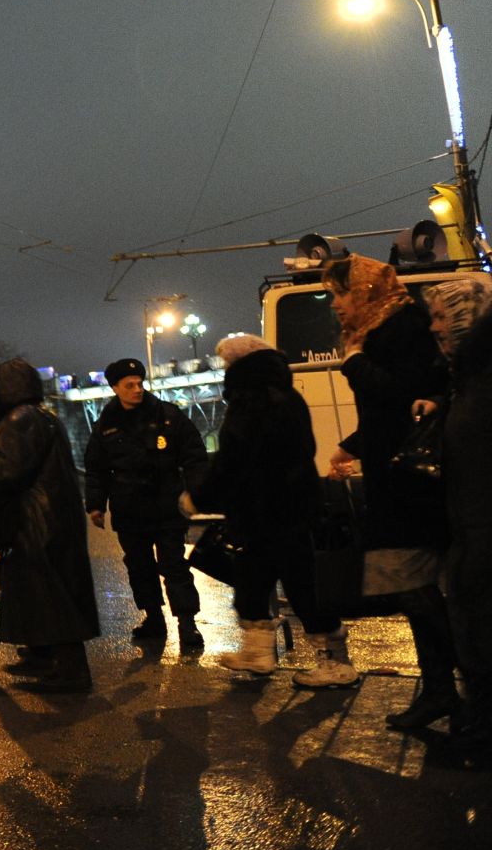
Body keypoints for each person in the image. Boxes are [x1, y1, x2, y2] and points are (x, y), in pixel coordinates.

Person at [324, 254, 458, 730]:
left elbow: (407, 398)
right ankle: (444, 689)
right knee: (414, 588)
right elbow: (394, 411)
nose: (335, 305)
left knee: (415, 587)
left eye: (340, 293)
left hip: (412, 487)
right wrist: (353, 444)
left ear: (364, 290)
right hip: (396, 481)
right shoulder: (381, 329)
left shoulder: (401, 329)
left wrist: (355, 362)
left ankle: (452, 690)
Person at [189, 335, 355, 685]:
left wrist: (200, 497)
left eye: (227, 364)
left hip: (268, 510)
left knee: (299, 587)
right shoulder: (287, 396)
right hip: (287, 506)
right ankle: (260, 654)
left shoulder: (251, 401)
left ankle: (335, 663)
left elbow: (233, 458)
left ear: (240, 367)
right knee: (254, 580)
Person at [0, 359, 100, 693]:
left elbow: (10, 472)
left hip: (37, 520)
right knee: (46, 589)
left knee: (49, 593)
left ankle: (71, 671)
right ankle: (42, 655)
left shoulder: (20, 419)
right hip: (53, 515)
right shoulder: (45, 415)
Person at [83, 356, 209, 652]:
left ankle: (187, 625)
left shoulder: (169, 416)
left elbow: (194, 456)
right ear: (115, 388)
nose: (137, 389)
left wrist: (196, 492)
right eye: (129, 385)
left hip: (166, 506)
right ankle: (153, 618)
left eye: (140, 383)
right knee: (139, 567)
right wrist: (96, 505)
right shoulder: (105, 427)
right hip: (130, 510)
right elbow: (96, 469)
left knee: (174, 566)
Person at [425, 278, 492, 768]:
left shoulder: (484, 382)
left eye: (443, 317)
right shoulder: (465, 377)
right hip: (470, 532)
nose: (434, 327)